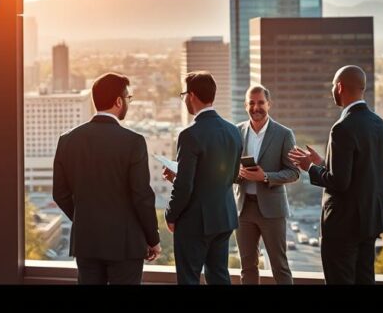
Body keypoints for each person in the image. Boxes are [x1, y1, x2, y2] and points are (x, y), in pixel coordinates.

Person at [288, 65, 383, 284]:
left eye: (332, 87)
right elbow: (376, 174)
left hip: (342, 225)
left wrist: (310, 167)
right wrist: (323, 163)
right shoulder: (380, 125)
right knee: (365, 279)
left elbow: (339, 182)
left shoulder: (342, 128)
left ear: (339, 87)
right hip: (368, 221)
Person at [53, 72, 161, 284]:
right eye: (128, 98)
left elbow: (60, 193)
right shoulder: (134, 141)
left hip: (87, 241)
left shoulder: (67, 140)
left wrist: (86, 218)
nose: (128, 102)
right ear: (119, 102)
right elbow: (141, 196)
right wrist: (153, 238)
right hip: (125, 243)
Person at [164, 71, 242, 285]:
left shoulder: (189, 134)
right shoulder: (233, 131)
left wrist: (171, 214)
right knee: (219, 276)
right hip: (224, 217)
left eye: (183, 95)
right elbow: (232, 175)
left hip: (195, 221)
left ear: (191, 96)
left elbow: (185, 186)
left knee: (189, 279)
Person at [234, 84, 299, 284]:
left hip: (272, 211)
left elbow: (294, 172)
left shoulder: (284, 134)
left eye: (261, 103)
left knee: (280, 266)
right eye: (251, 103)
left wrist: (265, 177)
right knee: (247, 267)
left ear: (269, 104)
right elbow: (227, 170)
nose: (256, 107)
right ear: (245, 105)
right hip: (243, 209)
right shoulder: (236, 131)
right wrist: (237, 173)